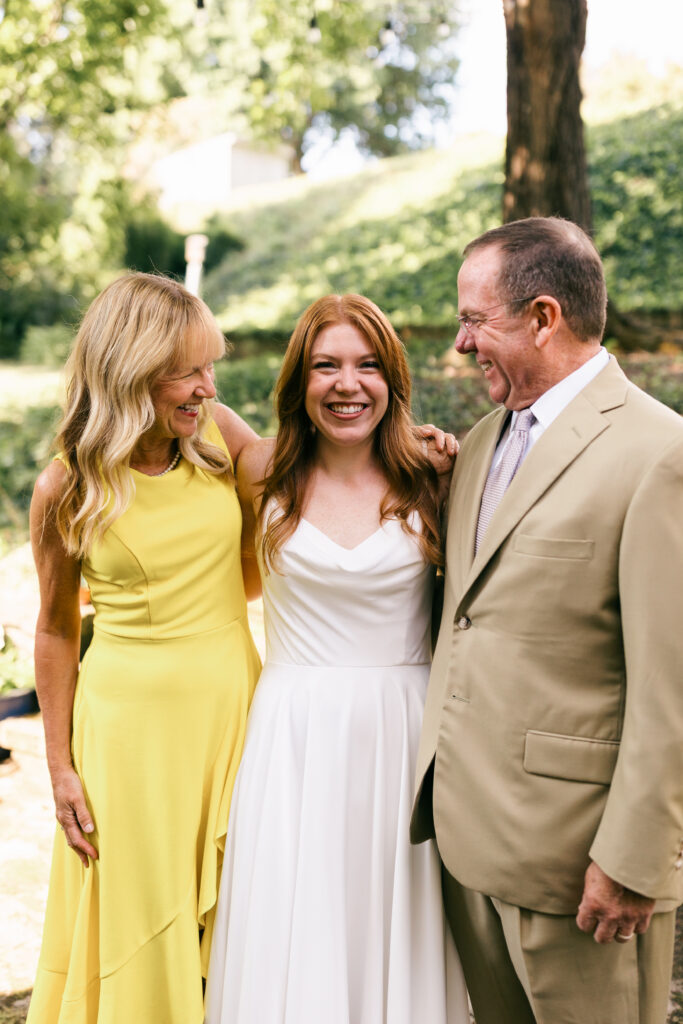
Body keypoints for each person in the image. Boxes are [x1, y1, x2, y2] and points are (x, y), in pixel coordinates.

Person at [411, 216, 683, 1023]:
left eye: (472, 320)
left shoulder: (658, 453)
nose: (460, 345)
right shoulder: (481, 441)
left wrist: (635, 859)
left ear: (540, 317)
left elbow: (670, 686)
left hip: (581, 867)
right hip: (468, 845)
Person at [204, 294, 470, 1023]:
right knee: (295, 916)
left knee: (399, 918)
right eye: (325, 366)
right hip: (291, 735)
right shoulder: (260, 469)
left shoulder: (432, 475)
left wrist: (442, 459)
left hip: (403, 731)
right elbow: (177, 387)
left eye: (367, 366)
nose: (347, 385)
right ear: (298, 382)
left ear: (392, 381)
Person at [27, 272, 262, 1023]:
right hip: (128, 737)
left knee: (245, 918)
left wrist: (410, 449)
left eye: (209, 367)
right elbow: (58, 628)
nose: (206, 387)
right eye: (185, 371)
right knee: (140, 913)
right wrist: (60, 766)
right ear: (129, 371)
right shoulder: (66, 487)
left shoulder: (220, 433)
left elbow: (308, 479)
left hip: (234, 710)